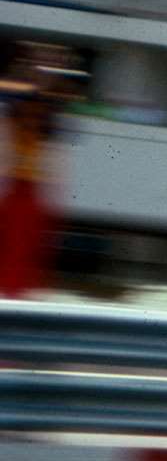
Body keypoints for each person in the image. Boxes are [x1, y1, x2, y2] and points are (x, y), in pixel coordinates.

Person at [0, 41, 83, 300]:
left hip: (32, 186)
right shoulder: (17, 99)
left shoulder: (49, 107)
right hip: (16, 184)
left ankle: (17, 296)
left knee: (25, 250)